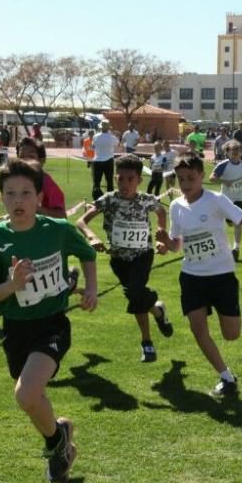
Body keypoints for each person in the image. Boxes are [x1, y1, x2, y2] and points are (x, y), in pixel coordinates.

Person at [0, 159, 98, 483]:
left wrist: (92, 289)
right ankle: (60, 437)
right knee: (32, 399)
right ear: (1, 198)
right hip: (16, 329)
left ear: (39, 198)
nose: (18, 200)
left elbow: (87, 253)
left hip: (52, 324)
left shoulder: (57, 231)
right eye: (10, 193)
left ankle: (56, 443)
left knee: (25, 395)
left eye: (26, 192)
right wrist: (12, 285)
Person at [155, 153, 242, 396]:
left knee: (231, 335)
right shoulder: (176, 206)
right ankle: (226, 377)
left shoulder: (216, 200)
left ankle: (227, 362)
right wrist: (166, 242)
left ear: (201, 176)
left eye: (190, 178)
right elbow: (178, 244)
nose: (185, 183)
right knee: (198, 330)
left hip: (222, 275)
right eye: (180, 179)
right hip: (192, 276)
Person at [77, 154, 174, 362]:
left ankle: (147, 343)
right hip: (118, 259)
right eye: (120, 178)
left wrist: (161, 236)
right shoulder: (108, 200)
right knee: (135, 296)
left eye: (130, 179)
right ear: (115, 178)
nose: (124, 183)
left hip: (142, 255)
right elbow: (81, 221)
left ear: (139, 180)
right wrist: (92, 237)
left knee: (136, 291)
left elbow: (161, 214)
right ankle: (157, 311)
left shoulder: (147, 200)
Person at [209, 140, 242, 261]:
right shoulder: (223, 165)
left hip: (239, 198)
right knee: (230, 222)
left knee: (238, 222)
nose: (236, 153)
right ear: (227, 152)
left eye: (238, 151)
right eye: (233, 151)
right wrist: (225, 182)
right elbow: (211, 178)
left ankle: (236, 248)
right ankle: (229, 222)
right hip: (225, 199)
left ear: (241, 153)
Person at [16, 137, 67, 219]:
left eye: (31, 157)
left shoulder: (47, 183)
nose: (25, 162)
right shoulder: (15, 181)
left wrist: (37, 209)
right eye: (22, 157)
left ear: (41, 161)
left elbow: (62, 216)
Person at [91, 122, 118, 201]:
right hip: (109, 159)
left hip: (98, 159)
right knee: (109, 180)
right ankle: (110, 197)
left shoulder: (96, 136)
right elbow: (117, 144)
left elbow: (93, 147)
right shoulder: (112, 137)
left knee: (97, 181)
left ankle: (96, 197)